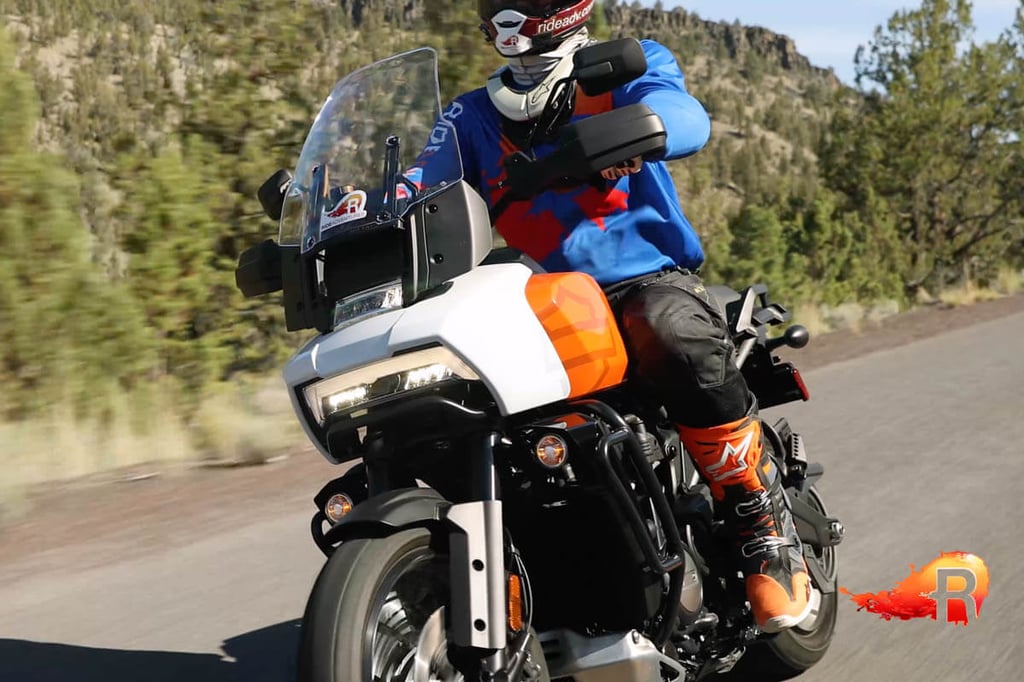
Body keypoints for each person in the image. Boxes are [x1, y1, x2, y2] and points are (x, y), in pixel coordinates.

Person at [409, 0, 812, 634]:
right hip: (519, 302)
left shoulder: (625, 70)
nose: (508, 13)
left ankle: (757, 516)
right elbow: (419, 185)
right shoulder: (469, 115)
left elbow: (684, 115)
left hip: (640, 283)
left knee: (670, 330)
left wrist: (635, 128)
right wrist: (358, 208)